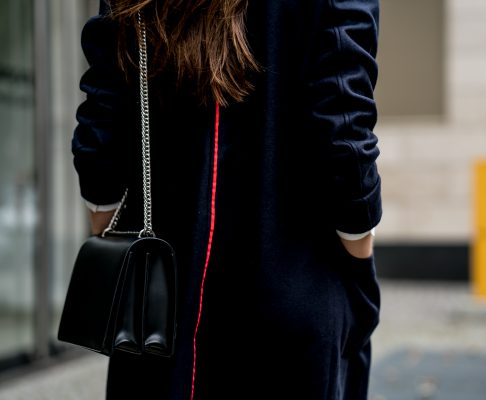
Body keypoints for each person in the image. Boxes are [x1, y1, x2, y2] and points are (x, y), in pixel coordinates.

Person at [72, 0, 382, 398]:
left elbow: (104, 113)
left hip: (164, 303)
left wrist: (106, 219)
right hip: (296, 282)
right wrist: (360, 249)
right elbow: (344, 118)